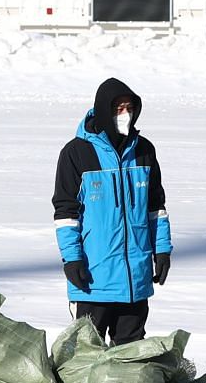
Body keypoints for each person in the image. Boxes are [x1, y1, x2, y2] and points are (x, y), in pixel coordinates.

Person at [53, 78, 172, 345]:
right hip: (93, 280)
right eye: (118, 109)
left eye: (129, 108)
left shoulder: (144, 151)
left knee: (130, 362)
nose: (124, 114)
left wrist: (162, 250)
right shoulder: (76, 153)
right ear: (104, 111)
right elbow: (66, 214)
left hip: (135, 281)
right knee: (85, 358)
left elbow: (156, 208)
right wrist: (72, 259)